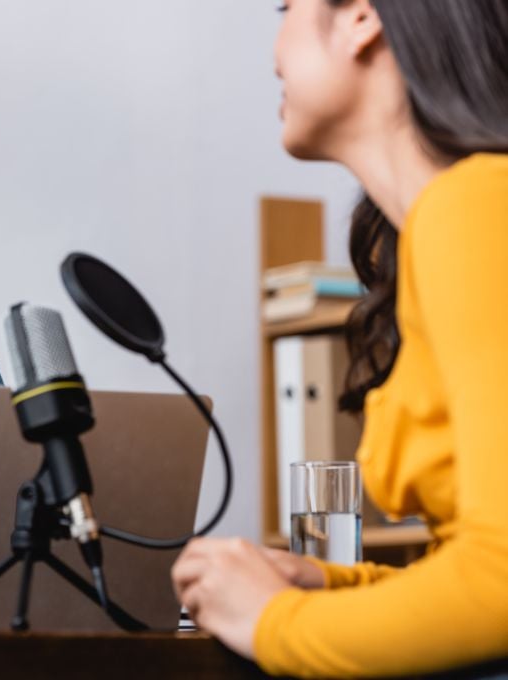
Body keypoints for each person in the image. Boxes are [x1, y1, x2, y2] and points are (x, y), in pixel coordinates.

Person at [171, 0, 508, 676]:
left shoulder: (473, 209)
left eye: (285, 7)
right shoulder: (434, 232)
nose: (273, 45)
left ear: (359, 17)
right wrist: (330, 584)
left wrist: (271, 622)